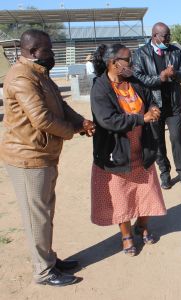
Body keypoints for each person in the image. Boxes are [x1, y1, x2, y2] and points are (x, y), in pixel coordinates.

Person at [0, 29, 95, 286]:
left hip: (42, 155)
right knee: (37, 216)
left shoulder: (39, 74)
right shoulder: (21, 77)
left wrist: (82, 121)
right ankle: (43, 271)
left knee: (44, 212)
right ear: (32, 52)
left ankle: (49, 259)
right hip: (27, 157)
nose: (52, 54)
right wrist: (75, 130)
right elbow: (41, 118)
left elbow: (60, 106)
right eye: (48, 50)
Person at [90, 44, 166, 257]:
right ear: (114, 63)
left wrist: (153, 108)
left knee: (147, 191)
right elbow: (108, 120)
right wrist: (142, 118)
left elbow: (150, 100)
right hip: (117, 151)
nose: (132, 64)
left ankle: (141, 226)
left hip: (141, 147)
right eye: (128, 60)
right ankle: (126, 235)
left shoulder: (134, 81)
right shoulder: (100, 87)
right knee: (121, 196)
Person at [133, 22, 181, 189]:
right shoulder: (141, 53)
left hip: (174, 103)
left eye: (169, 36)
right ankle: (165, 173)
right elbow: (138, 78)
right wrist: (161, 77)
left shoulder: (175, 51)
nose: (168, 39)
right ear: (154, 36)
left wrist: (175, 74)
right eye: (165, 36)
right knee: (157, 141)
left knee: (176, 137)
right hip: (153, 105)